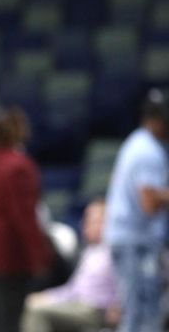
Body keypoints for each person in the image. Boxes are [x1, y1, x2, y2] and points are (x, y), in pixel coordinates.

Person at [0, 107, 53, 332]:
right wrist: (39, 256)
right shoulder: (19, 165)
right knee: (10, 322)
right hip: (11, 255)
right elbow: (24, 217)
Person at [104, 88, 169, 332]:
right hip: (136, 243)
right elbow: (150, 204)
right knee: (144, 314)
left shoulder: (137, 142)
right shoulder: (148, 151)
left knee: (138, 312)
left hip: (130, 240)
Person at [21, 200, 118, 332]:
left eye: (93, 220)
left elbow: (127, 285)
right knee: (30, 303)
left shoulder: (117, 252)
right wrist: (47, 297)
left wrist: (118, 304)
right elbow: (74, 289)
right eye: (86, 219)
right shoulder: (90, 252)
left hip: (96, 310)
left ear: (108, 223)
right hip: (77, 305)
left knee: (37, 313)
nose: (85, 225)